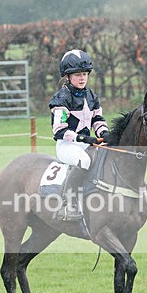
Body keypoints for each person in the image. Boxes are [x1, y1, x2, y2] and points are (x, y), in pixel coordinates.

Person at [49, 49, 107, 221]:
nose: (82, 78)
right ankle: (67, 204)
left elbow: (97, 118)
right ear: (67, 77)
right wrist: (84, 138)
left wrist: (105, 133)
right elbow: (59, 130)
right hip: (67, 146)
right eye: (77, 75)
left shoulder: (91, 96)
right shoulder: (61, 98)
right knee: (84, 161)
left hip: (86, 144)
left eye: (84, 74)